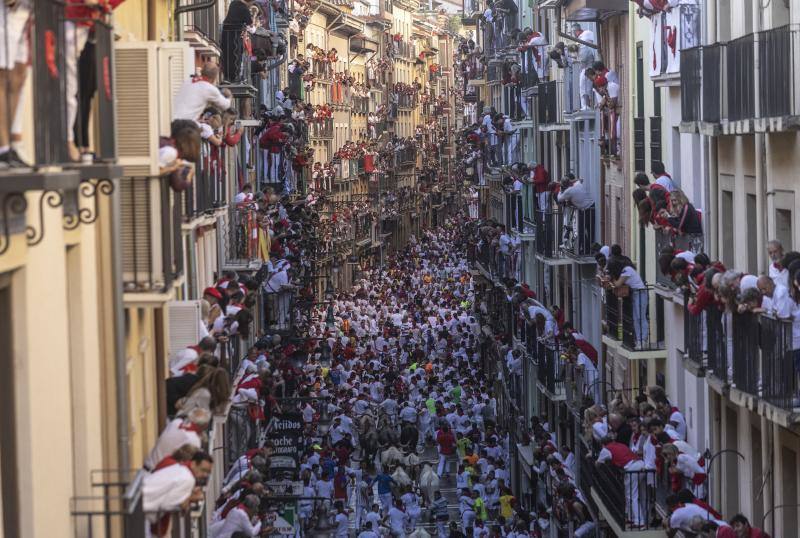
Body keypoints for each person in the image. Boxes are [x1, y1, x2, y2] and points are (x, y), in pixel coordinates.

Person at [596, 437, 646, 527]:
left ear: (603, 444)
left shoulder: (606, 449)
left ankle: (639, 521)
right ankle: (632, 518)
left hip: (632, 468)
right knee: (639, 495)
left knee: (632, 496)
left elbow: (598, 463)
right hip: (641, 464)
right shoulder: (620, 444)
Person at [221, 0, 255, 82]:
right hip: (235, 34)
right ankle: (233, 77)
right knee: (236, 56)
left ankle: (227, 76)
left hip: (226, 33)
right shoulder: (244, 9)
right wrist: (253, 16)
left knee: (227, 54)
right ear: (250, 2)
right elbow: (251, 26)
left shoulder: (233, 3)